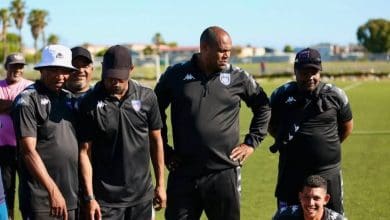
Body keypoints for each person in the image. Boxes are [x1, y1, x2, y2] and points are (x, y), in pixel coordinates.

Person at [155, 26, 271, 220]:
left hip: (224, 172)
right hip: (184, 171)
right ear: (205, 48)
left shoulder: (238, 77)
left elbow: (263, 106)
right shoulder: (175, 75)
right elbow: (154, 111)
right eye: (222, 50)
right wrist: (165, 150)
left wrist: (252, 142)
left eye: (229, 51)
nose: (227, 55)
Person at [78, 45, 166, 220]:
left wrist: (160, 185)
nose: (114, 81)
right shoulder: (89, 103)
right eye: (110, 76)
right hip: (105, 201)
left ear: (131, 70)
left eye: (120, 77)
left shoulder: (147, 97)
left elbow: (156, 141)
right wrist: (90, 197)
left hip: (141, 198)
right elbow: (84, 152)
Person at [268, 48, 353, 214]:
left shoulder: (335, 95)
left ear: (320, 71)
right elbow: (270, 125)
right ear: (295, 71)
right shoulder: (280, 95)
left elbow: (347, 127)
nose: (310, 77)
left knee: (332, 216)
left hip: (327, 172)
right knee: (288, 217)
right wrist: (288, 140)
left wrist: (328, 146)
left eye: (314, 72)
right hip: (291, 172)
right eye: (304, 72)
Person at [11, 44, 79, 220]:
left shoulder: (69, 98)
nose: (60, 76)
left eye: (64, 70)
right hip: (42, 199)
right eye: (54, 70)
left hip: (70, 196)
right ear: (42, 70)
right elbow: (28, 151)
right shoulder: (27, 100)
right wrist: (53, 190)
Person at [0, 53, 32, 220]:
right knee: (6, 188)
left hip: (25, 147)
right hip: (3, 147)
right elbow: (21, 107)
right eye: (13, 66)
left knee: (27, 187)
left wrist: (5, 104)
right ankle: (9, 217)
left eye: (20, 66)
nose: (17, 69)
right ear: (6, 67)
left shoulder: (30, 87)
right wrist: (18, 104)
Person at [272, 175, 344, 220]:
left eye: (316, 198)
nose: (310, 203)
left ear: (326, 199)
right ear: (300, 197)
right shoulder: (283, 217)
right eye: (306, 197)